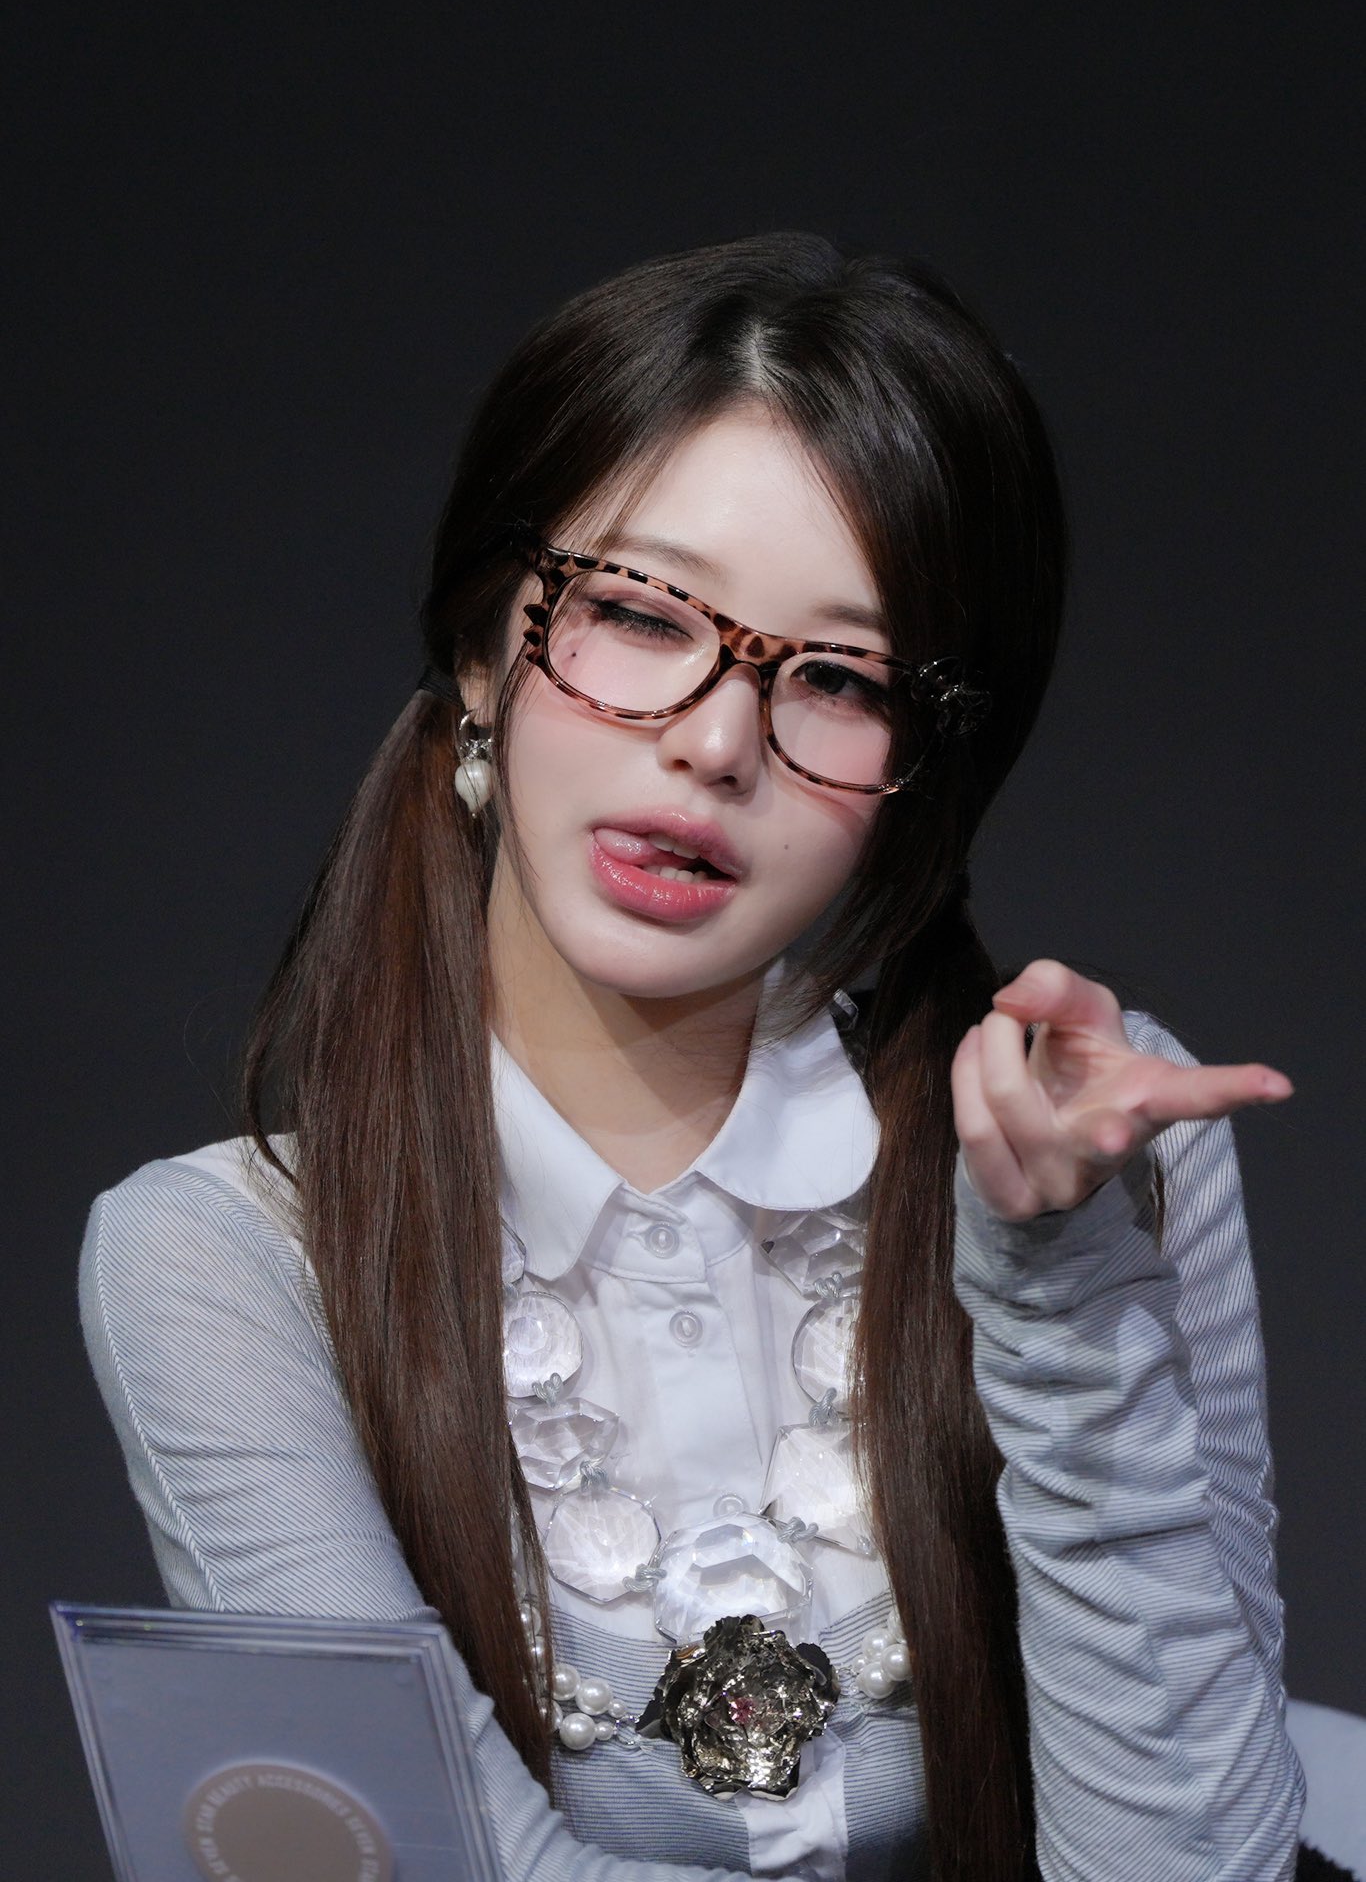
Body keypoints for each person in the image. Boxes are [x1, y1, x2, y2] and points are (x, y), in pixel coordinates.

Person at [80, 233, 1308, 1881]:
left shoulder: (1088, 1142)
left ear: (926, 773)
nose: (717, 742)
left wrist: (1053, 1284)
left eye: (839, 679)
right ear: (480, 651)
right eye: (638, 615)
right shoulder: (226, 1262)